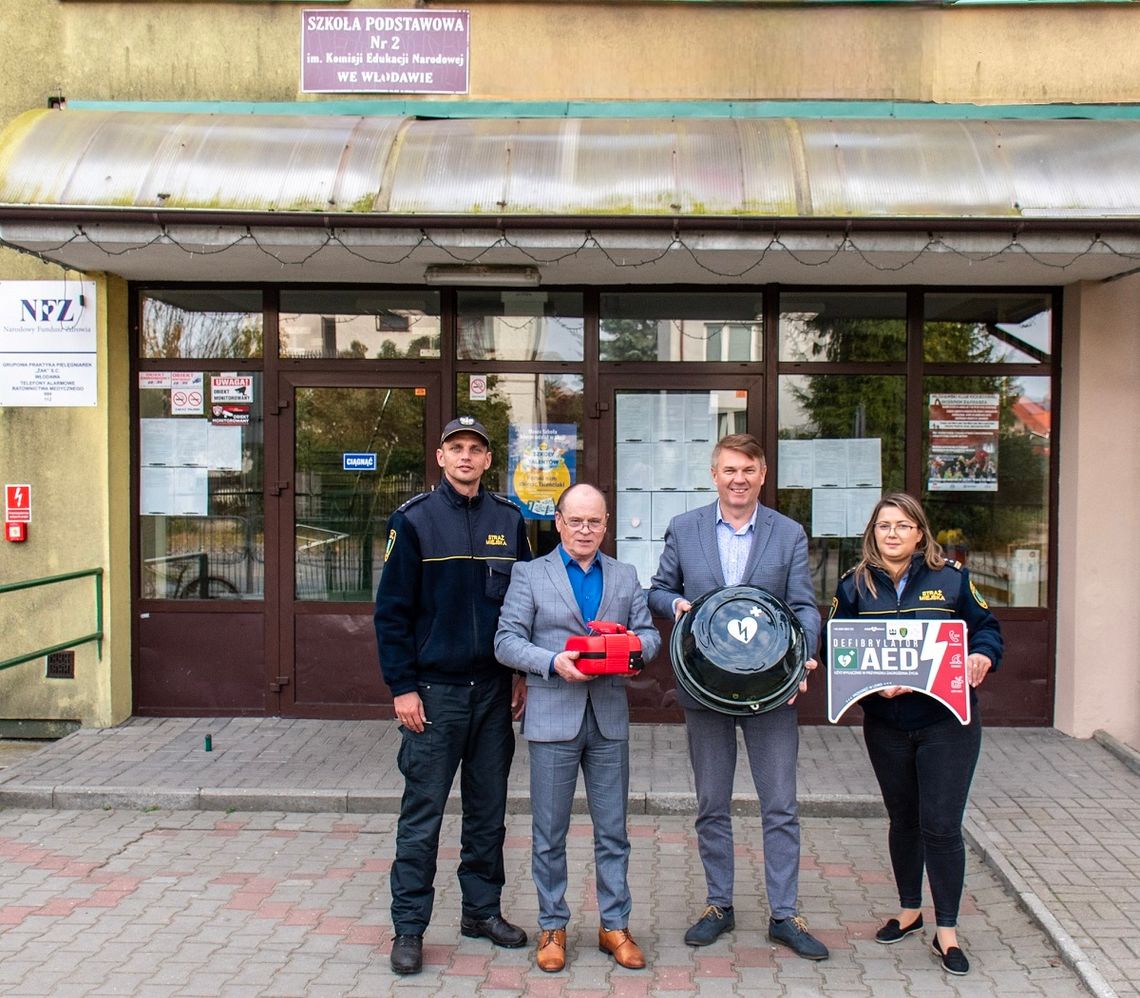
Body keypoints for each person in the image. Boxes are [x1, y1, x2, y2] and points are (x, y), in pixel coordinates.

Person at [648, 433, 828, 961]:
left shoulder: (788, 532)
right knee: (712, 802)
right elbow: (656, 589)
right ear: (714, 474)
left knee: (780, 805)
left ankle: (784, 915)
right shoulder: (685, 529)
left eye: (748, 469)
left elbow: (804, 605)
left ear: (763, 475)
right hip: (705, 686)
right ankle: (718, 906)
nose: (739, 479)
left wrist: (805, 657)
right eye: (729, 469)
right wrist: (678, 603)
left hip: (771, 689)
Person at [374, 416, 532, 976]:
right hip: (434, 696)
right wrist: (403, 688)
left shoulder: (509, 521)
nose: (466, 457)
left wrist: (518, 674)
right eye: (456, 448)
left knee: (488, 813)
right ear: (441, 458)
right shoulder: (412, 520)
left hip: (492, 692)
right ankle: (409, 928)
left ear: (489, 460)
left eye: (476, 449)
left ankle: (481, 913)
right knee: (423, 816)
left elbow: (521, 608)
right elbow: (390, 614)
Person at [829, 491, 1001, 976]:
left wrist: (982, 655)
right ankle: (909, 911)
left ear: (920, 532)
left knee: (941, 825)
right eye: (884, 526)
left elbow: (987, 628)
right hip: (886, 726)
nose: (893, 534)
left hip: (948, 722)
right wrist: (868, 691)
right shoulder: (855, 587)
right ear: (873, 533)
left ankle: (946, 931)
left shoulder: (952, 580)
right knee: (903, 819)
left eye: (903, 525)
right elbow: (840, 649)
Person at [494, 484, 661, 974]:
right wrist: (550, 663)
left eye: (594, 522)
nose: (585, 530)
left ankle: (615, 925)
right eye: (576, 521)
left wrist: (633, 655)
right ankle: (552, 925)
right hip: (553, 720)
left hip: (608, 720)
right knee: (549, 832)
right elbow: (506, 641)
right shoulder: (529, 574)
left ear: (606, 524)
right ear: (559, 523)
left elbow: (648, 635)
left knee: (614, 832)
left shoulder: (625, 575)